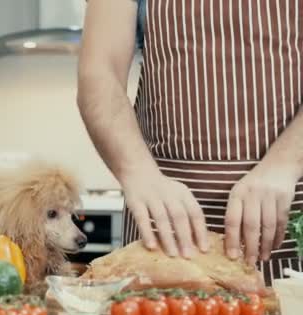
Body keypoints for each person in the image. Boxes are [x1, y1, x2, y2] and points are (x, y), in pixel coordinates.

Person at [78, 0, 303, 283]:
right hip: (162, 235)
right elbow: (100, 72)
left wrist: (286, 162)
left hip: (288, 219)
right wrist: (138, 173)